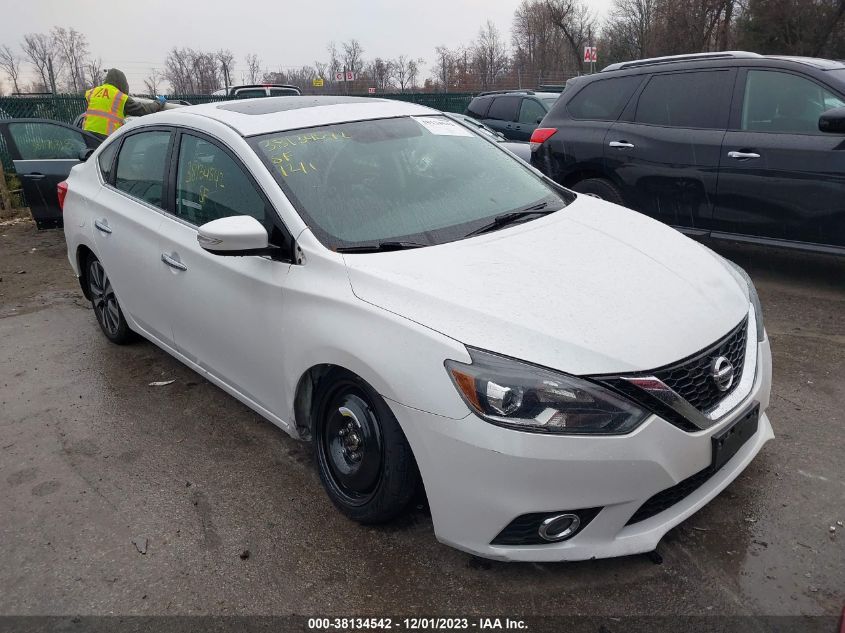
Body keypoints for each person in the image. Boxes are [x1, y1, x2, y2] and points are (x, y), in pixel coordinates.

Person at [83, 68, 166, 139]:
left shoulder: (93, 92)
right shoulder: (120, 97)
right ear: (122, 83)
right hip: (107, 139)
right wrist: (158, 103)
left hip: (87, 135)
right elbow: (144, 110)